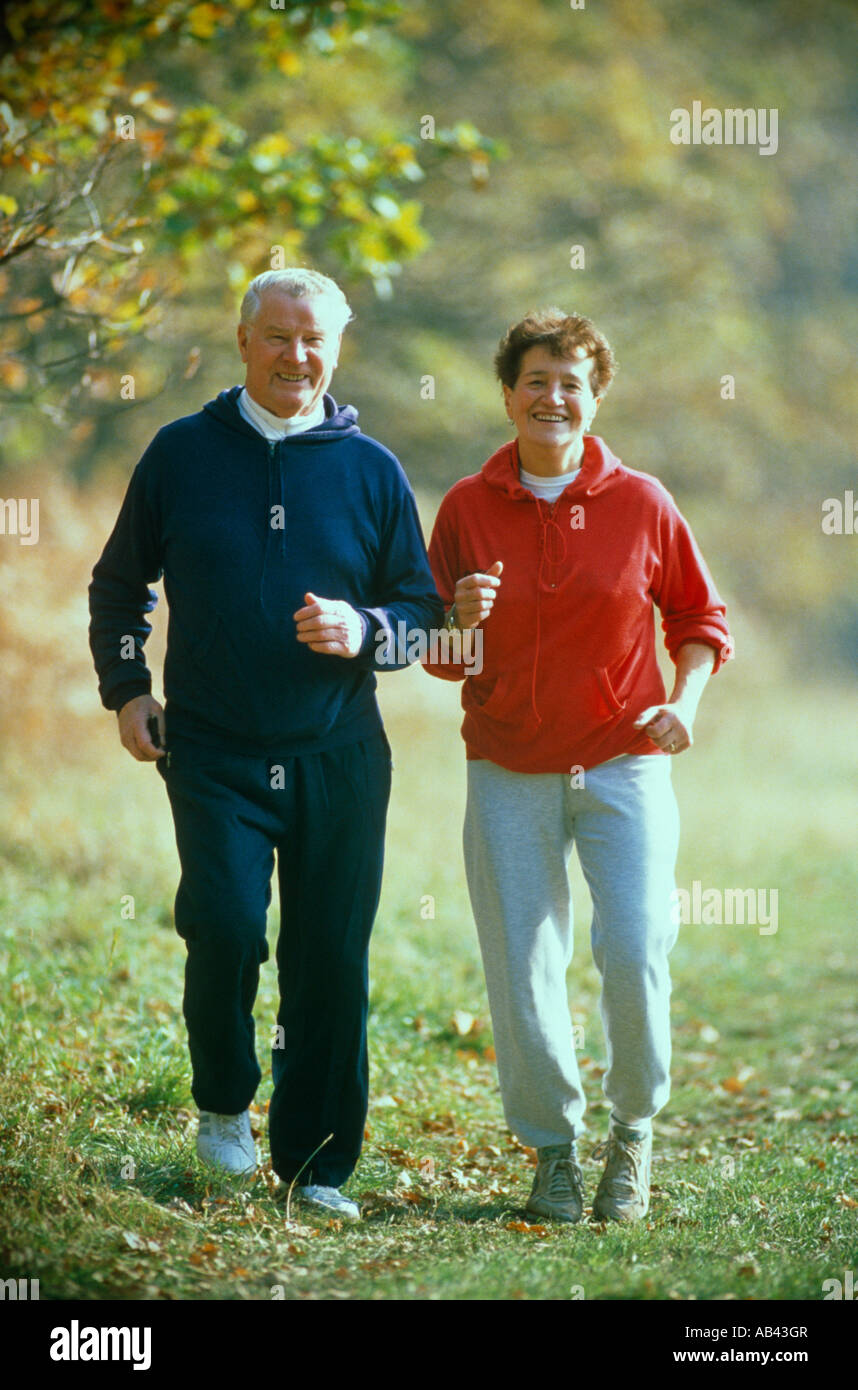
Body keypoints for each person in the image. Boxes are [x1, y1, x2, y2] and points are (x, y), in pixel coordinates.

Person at [89, 268, 443, 1222]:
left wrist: (366, 627)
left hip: (340, 753)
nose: (297, 355)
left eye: (314, 338)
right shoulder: (179, 454)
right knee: (230, 925)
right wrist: (127, 690)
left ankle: (318, 1163)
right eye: (278, 336)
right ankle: (222, 1107)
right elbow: (120, 587)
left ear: (338, 346)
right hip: (211, 749)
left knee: (328, 953)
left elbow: (422, 612)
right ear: (244, 342)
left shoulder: (372, 469)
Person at [423, 309, 733, 1224]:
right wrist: (461, 622)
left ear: (595, 399)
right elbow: (434, 654)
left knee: (635, 950)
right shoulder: (467, 508)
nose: (552, 397)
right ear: (509, 394)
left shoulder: (644, 502)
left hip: (624, 761)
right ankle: (552, 1151)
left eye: (572, 383)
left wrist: (684, 703)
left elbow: (701, 621)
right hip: (509, 767)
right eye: (536, 380)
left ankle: (631, 1135)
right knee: (522, 968)